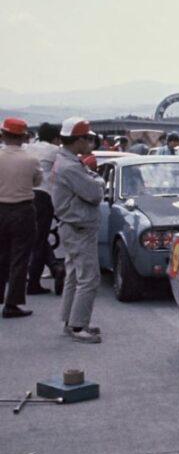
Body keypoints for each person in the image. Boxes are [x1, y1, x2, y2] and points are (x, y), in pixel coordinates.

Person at [52, 118, 104, 342]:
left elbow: (90, 182)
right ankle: (78, 326)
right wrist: (99, 182)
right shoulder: (72, 166)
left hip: (72, 226)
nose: (90, 142)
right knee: (89, 278)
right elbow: (94, 193)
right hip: (79, 226)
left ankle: (69, 321)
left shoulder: (67, 161)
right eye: (88, 138)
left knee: (74, 275)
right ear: (79, 140)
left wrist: (94, 180)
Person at [0, 118, 41, 318]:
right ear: (24, 137)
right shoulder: (31, 159)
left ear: (3, 135)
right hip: (23, 209)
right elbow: (37, 181)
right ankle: (12, 302)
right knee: (19, 258)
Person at [25, 122, 63, 296]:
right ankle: (34, 282)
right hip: (44, 196)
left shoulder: (28, 148)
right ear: (56, 138)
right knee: (39, 240)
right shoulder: (56, 152)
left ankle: (53, 267)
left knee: (33, 238)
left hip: (24, 196)